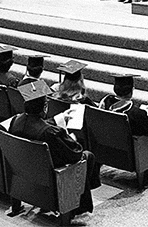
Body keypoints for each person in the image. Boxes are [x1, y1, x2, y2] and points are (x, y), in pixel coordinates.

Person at [8, 80, 100, 218]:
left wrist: (60, 118)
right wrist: (70, 137)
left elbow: (35, 124)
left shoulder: (16, 121)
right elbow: (76, 153)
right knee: (88, 156)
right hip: (52, 178)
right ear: (45, 107)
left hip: (27, 173)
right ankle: (77, 203)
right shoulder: (50, 133)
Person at [97, 75, 148, 185]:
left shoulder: (105, 103)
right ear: (131, 91)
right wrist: (146, 114)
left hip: (108, 149)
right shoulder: (135, 113)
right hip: (130, 154)